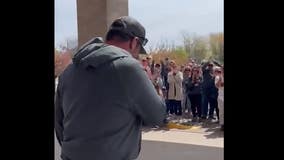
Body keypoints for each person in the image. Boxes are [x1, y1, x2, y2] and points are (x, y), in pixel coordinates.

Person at [55, 16, 166, 160]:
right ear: (134, 42)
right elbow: (157, 116)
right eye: (138, 49)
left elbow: (59, 123)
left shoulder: (69, 71)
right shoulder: (129, 68)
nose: (137, 54)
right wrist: (157, 90)